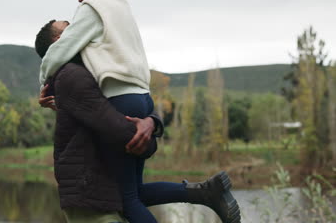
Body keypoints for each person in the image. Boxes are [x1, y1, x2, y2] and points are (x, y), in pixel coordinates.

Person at [34, 20, 241, 223]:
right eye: (70, 27)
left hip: (101, 181)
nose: (80, 28)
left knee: (132, 195)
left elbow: (135, 98)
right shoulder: (71, 75)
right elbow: (110, 121)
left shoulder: (91, 68)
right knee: (130, 198)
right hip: (89, 190)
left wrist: (151, 122)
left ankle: (205, 193)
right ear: (60, 40)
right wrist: (147, 141)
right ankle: (205, 193)